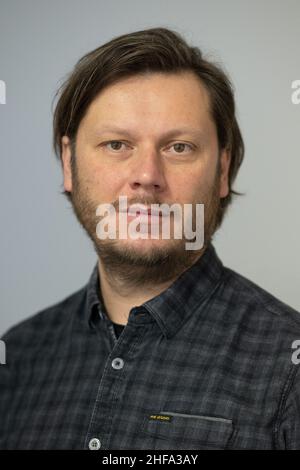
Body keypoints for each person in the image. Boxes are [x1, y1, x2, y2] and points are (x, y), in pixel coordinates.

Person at [1, 27, 300, 450]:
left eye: (179, 148)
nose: (146, 177)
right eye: (116, 144)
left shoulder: (290, 367)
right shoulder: (16, 357)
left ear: (221, 171)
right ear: (69, 163)